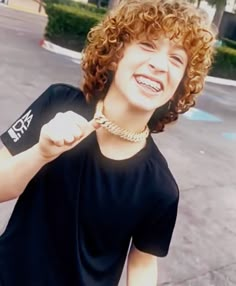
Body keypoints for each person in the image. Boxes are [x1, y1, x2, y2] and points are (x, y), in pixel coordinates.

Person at [0, 0, 216, 285]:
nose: (159, 65)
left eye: (177, 59)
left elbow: (142, 265)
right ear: (116, 54)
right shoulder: (58, 103)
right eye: (148, 45)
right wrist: (40, 153)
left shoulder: (160, 187)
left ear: (181, 84)